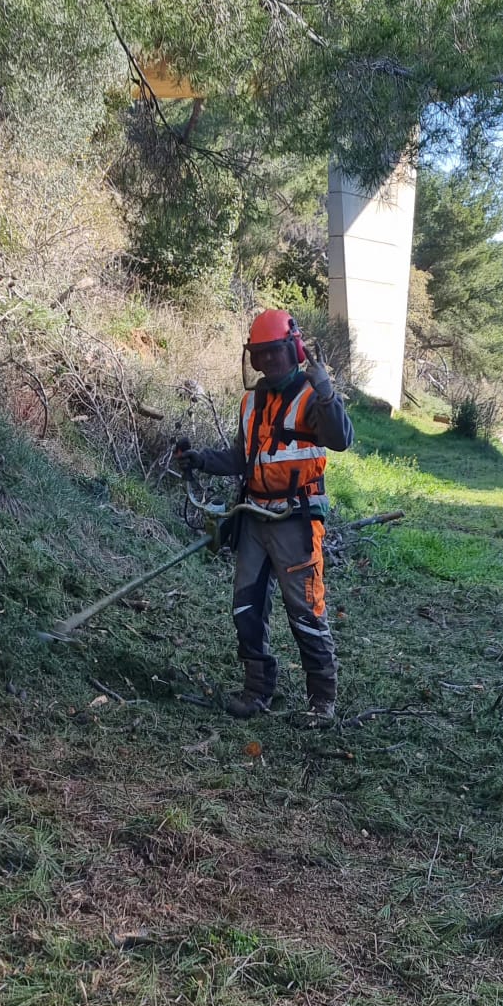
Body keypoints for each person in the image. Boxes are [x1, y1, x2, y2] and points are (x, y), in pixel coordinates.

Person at [176, 309, 353, 723]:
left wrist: (326, 390)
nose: (268, 362)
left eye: (275, 352)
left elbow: (341, 438)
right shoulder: (252, 401)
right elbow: (243, 458)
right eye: (261, 355)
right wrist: (199, 459)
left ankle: (322, 701)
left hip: (294, 519)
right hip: (254, 516)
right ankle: (257, 690)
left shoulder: (312, 397)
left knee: (305, 611)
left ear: (292, 350)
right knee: (246, 607)